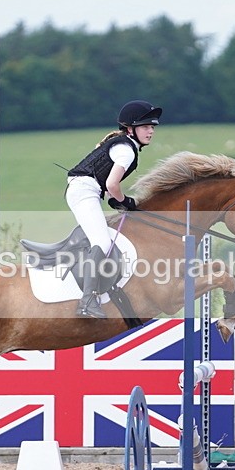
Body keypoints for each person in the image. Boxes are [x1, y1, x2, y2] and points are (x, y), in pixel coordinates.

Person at [65, 99, 162, 318]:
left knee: (103, 238)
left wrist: (117, 199)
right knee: (102, 242)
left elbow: (109, 186)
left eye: (152, 127)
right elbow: (111, 186)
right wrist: (125, 201)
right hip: (84, 192)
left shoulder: (122, 144)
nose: (151, 131)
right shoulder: (126, 151)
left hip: (86, 190)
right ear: (130, 128)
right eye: (146, 127)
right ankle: (87, 301)